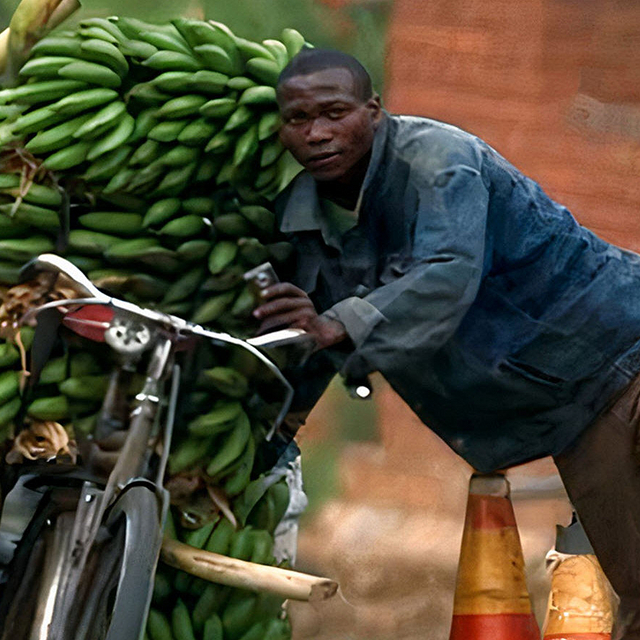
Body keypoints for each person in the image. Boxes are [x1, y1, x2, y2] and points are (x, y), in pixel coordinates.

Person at [252, 48, 640, 639]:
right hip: (575, 408)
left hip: (623, 348)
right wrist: (270, 436)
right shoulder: (301, 223)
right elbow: (310, 348)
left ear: (374, 112)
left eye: (335, 113)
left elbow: (445, 272)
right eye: (297, 120)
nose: (317, 133)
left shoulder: (438, 161)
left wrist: (336, 324)